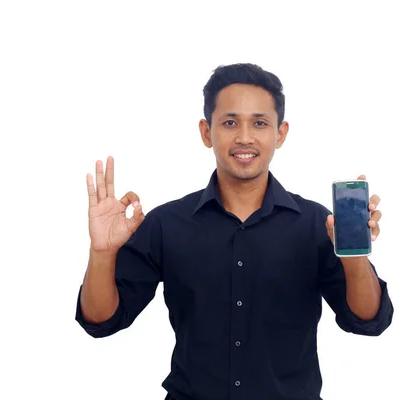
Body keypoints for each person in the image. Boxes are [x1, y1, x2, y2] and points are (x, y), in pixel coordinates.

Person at [75, 63, 394, 400]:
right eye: (230, 122)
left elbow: (367, 320)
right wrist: (102, 252)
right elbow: (102, 321)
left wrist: (355, 256)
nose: (244, 137)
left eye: (259, 123)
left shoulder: (317, 224)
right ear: (206, 132)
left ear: (280, 133)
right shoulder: (166, 223)